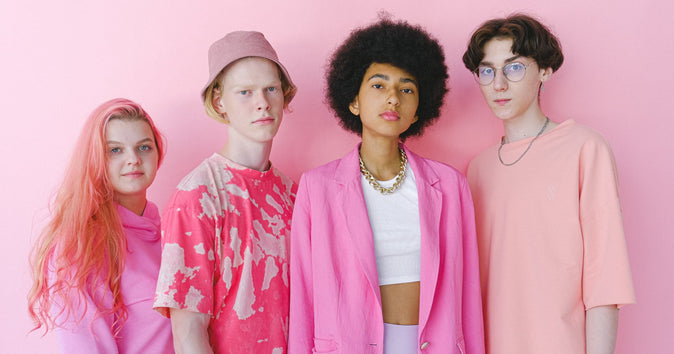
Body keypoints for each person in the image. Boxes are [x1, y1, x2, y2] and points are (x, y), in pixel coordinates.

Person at [289, 18, 484, 354]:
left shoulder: (450, 185)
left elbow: (468, 293)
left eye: (406, 89)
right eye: (379, 86)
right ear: (354, 101)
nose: (393, 98)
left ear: (417, 111)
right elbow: (304, 295)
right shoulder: (317, 187)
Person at [462, 13, 635, 354]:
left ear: (544, 70)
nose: (498, 84)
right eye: (487, 71)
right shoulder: (477, 170)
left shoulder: (585, 148)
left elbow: (605, 279)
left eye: (514, 68)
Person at [152, 31, 298, 354]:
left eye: (271, 89)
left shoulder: (293, 194)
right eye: (245, 92)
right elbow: (188, 330)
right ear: (220, 102)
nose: (262, 102)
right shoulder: (196, 197)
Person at [28, 98, 173, 353]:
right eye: (115, 150)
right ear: (95, 159)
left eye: (144, 147)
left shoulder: (173, 231)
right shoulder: (81, 244)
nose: (133, 159)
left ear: (158, 152)